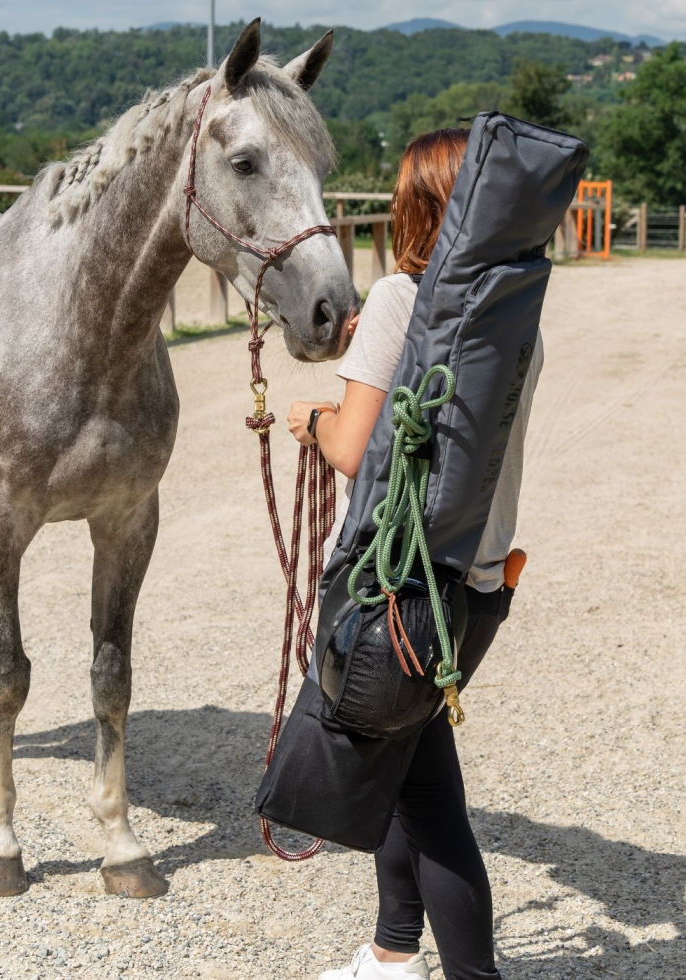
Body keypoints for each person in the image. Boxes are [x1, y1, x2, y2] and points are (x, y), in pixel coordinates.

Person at [286, 129, 544, 980]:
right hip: (471, 591)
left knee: (428, 801)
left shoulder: (402, 301)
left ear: (417, 208)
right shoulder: (511, 324)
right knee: (398, 765)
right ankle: (394, 950)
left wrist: (311, 421)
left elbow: (356, 450)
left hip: (386, 597)